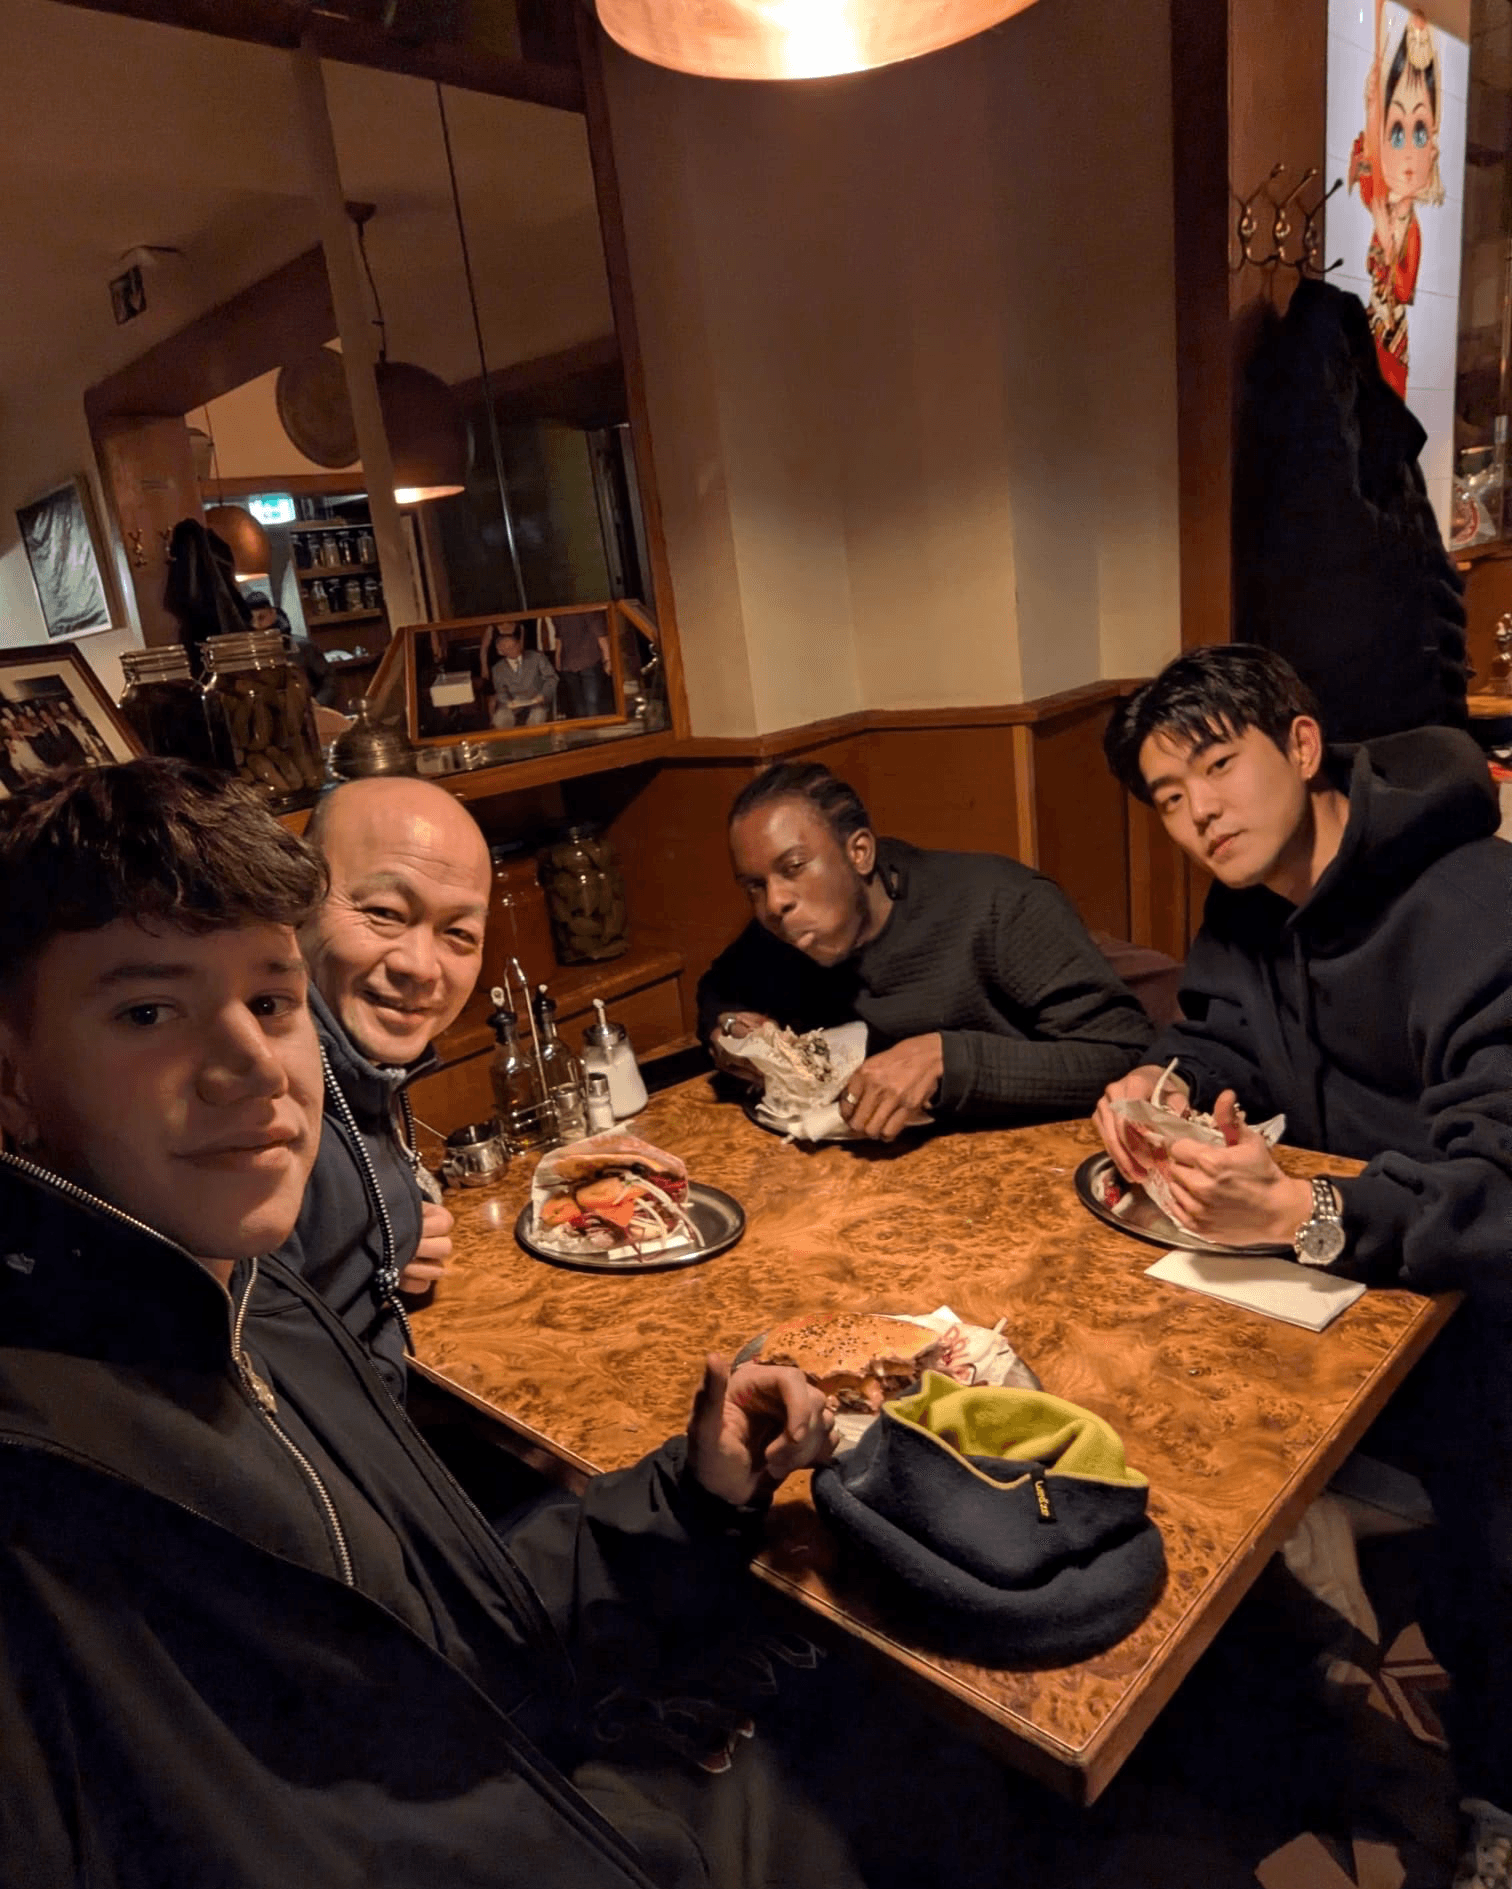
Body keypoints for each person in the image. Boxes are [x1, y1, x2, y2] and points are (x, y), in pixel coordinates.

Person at [0, 758, 849, 1889]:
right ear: (13, 1076)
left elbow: (454, 1624)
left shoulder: (262, 1301)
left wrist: (693, 1491)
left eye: (268, 998)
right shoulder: (41, 1494)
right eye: (149, 1008)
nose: (253, 1061)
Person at [1095, 644, 1512, 1889]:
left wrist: (1307, 1208)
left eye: (1218, 766)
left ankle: (1494, 1786)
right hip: (1349, 1273)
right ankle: (1259, 1715)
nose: (1199, 812)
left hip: (1477, 1290)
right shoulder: (1245, 907)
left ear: (1304, 744)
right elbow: (1226, 1040)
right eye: (1168, 796)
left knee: (1491, 1529)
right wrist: (1160, 1088)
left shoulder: (1470, 893)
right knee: (1149, 1395)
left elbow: (1499, 1182)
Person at [697, 763, 1154, 1141]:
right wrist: (731, 1032)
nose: (775, 903)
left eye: (794, 868)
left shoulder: (999, 904)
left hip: (1021, 1161)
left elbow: (1123, 1052)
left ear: (859, 852)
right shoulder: (782, 930)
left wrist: (945, 1058)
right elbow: (719, 992)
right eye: (754, 886)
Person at [274, 774, 493, 1400]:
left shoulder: (356, 1069)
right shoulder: (263, 1110)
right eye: (385, 914)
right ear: (297, 902)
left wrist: (386, 1249)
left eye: (459, 935)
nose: (420, 967)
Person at [1348, 1, 1443, 400]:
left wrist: (1388, 242)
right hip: (1370, 332)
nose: (1407, 155)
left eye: (1419, 134)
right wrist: (1372, 107)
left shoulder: (1412, 232)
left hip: (1392, 340)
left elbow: (1403, 291)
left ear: (1433, 150)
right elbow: (1369, 165)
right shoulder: (1381, 202)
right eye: (1397, 133)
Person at [484, 622, 558, 727]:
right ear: (501, 651)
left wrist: (543, 694)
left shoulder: (537, 657)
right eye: (508, 648)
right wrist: (509, 702)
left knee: (536, 718)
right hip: (513, 703)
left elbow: (552, 678)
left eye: (514, 646)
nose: (513, 650)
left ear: (519, 644)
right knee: (500, 718)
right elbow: (500, 691)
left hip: (537, 701)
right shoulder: (497, 668)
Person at [549, 609, 614, 719]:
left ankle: (590, 728)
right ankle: (591, 729)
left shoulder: (562, 611)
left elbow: (600, 634)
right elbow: (600, 634)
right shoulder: (585, 609)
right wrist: (608, 659)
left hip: (579, 660)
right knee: (586, 702)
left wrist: (608, 659)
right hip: (580, 660)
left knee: (585, 702)